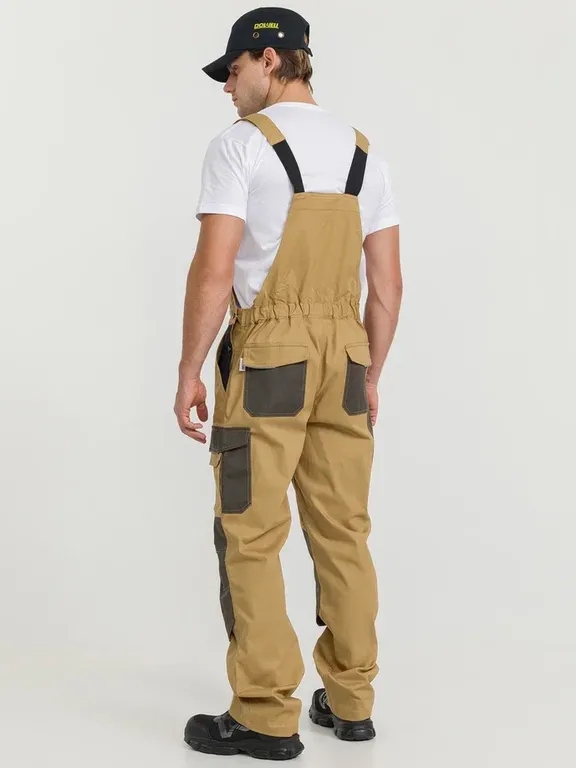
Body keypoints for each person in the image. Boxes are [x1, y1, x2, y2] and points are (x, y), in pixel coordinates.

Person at [174, 6, 402, 761]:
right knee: (344, 530)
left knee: (251, 530)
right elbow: (387, 286)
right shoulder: (364, 152)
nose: (227, 87)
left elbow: (214, 270)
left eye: (233, 70)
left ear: (269, 61)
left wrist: (188, 369)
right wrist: (371, 373)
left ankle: (265, 713)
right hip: (348, 357)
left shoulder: (241, 146)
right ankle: (352, 701)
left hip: (270, 356)